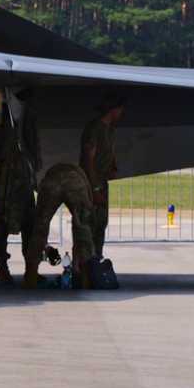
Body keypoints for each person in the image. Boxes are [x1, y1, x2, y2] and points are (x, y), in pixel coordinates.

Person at [0, 98, 40, 285]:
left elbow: (36, 157)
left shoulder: (26, 132)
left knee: (29, 226)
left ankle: (30, 270)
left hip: (23, 183)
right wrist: (1, 157)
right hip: (5, 184)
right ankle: (3, 268)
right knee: (3, 224)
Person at [25, 163, 99, 287]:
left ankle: (30, 277)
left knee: (40, 226)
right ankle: (85, 278)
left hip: (52, 178)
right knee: (82, 227)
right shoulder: (80, 174)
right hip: (76, 179)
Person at [80, 91, 126, 264]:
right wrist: (94, 188)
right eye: (120, 109)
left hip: (101, 182)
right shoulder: (95, 129)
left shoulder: (110, 130)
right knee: (89, 224)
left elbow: (108, 152)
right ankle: (86, 261)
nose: (121, 113)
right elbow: (88, 160)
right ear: (113, 110)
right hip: (92, 182)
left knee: (100, 223)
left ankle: (96, 258)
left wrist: (112, 166)